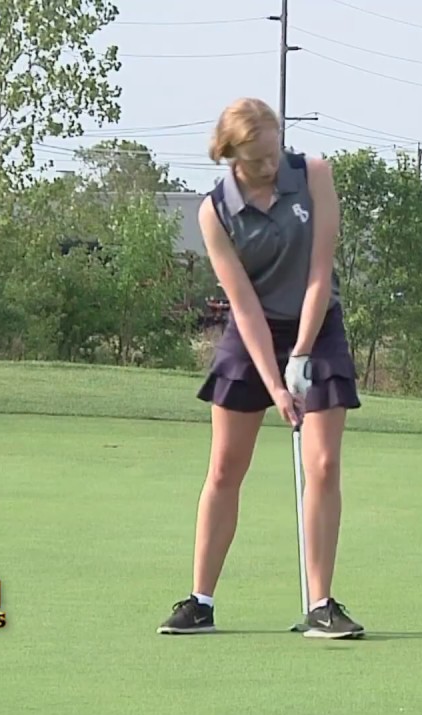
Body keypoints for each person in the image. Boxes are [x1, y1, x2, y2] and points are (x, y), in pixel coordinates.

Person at [157, 97, 365, 639]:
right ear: (231, 157)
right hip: (252, 335)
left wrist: (299, 353)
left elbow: (321, 270)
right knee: (225, 467)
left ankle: (321, 604)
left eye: (275, 153)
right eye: (259, 160)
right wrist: (275, 384)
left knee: (322, 465)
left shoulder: (313, 174)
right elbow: (242, 305)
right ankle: (200, 601)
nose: (272, 166)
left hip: (316, 328)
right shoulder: (214, 211)